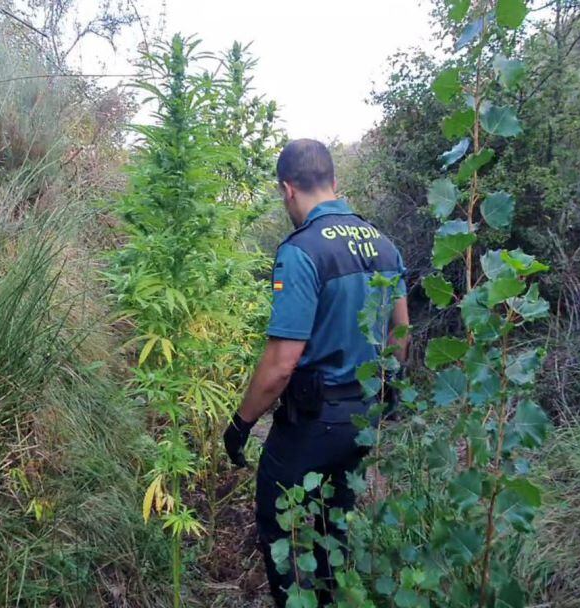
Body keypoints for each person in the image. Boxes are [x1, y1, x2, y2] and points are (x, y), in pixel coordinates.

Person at [222, 139, 409, 606]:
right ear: (334, 182)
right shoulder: (384, 244)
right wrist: (387, 393)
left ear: (287, 189)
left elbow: (282, 363)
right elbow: (401, 333)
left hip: (312, 420)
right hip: (363, 415)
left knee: (275, 517)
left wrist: (241, 423)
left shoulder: (302, 251)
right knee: (334, 522)